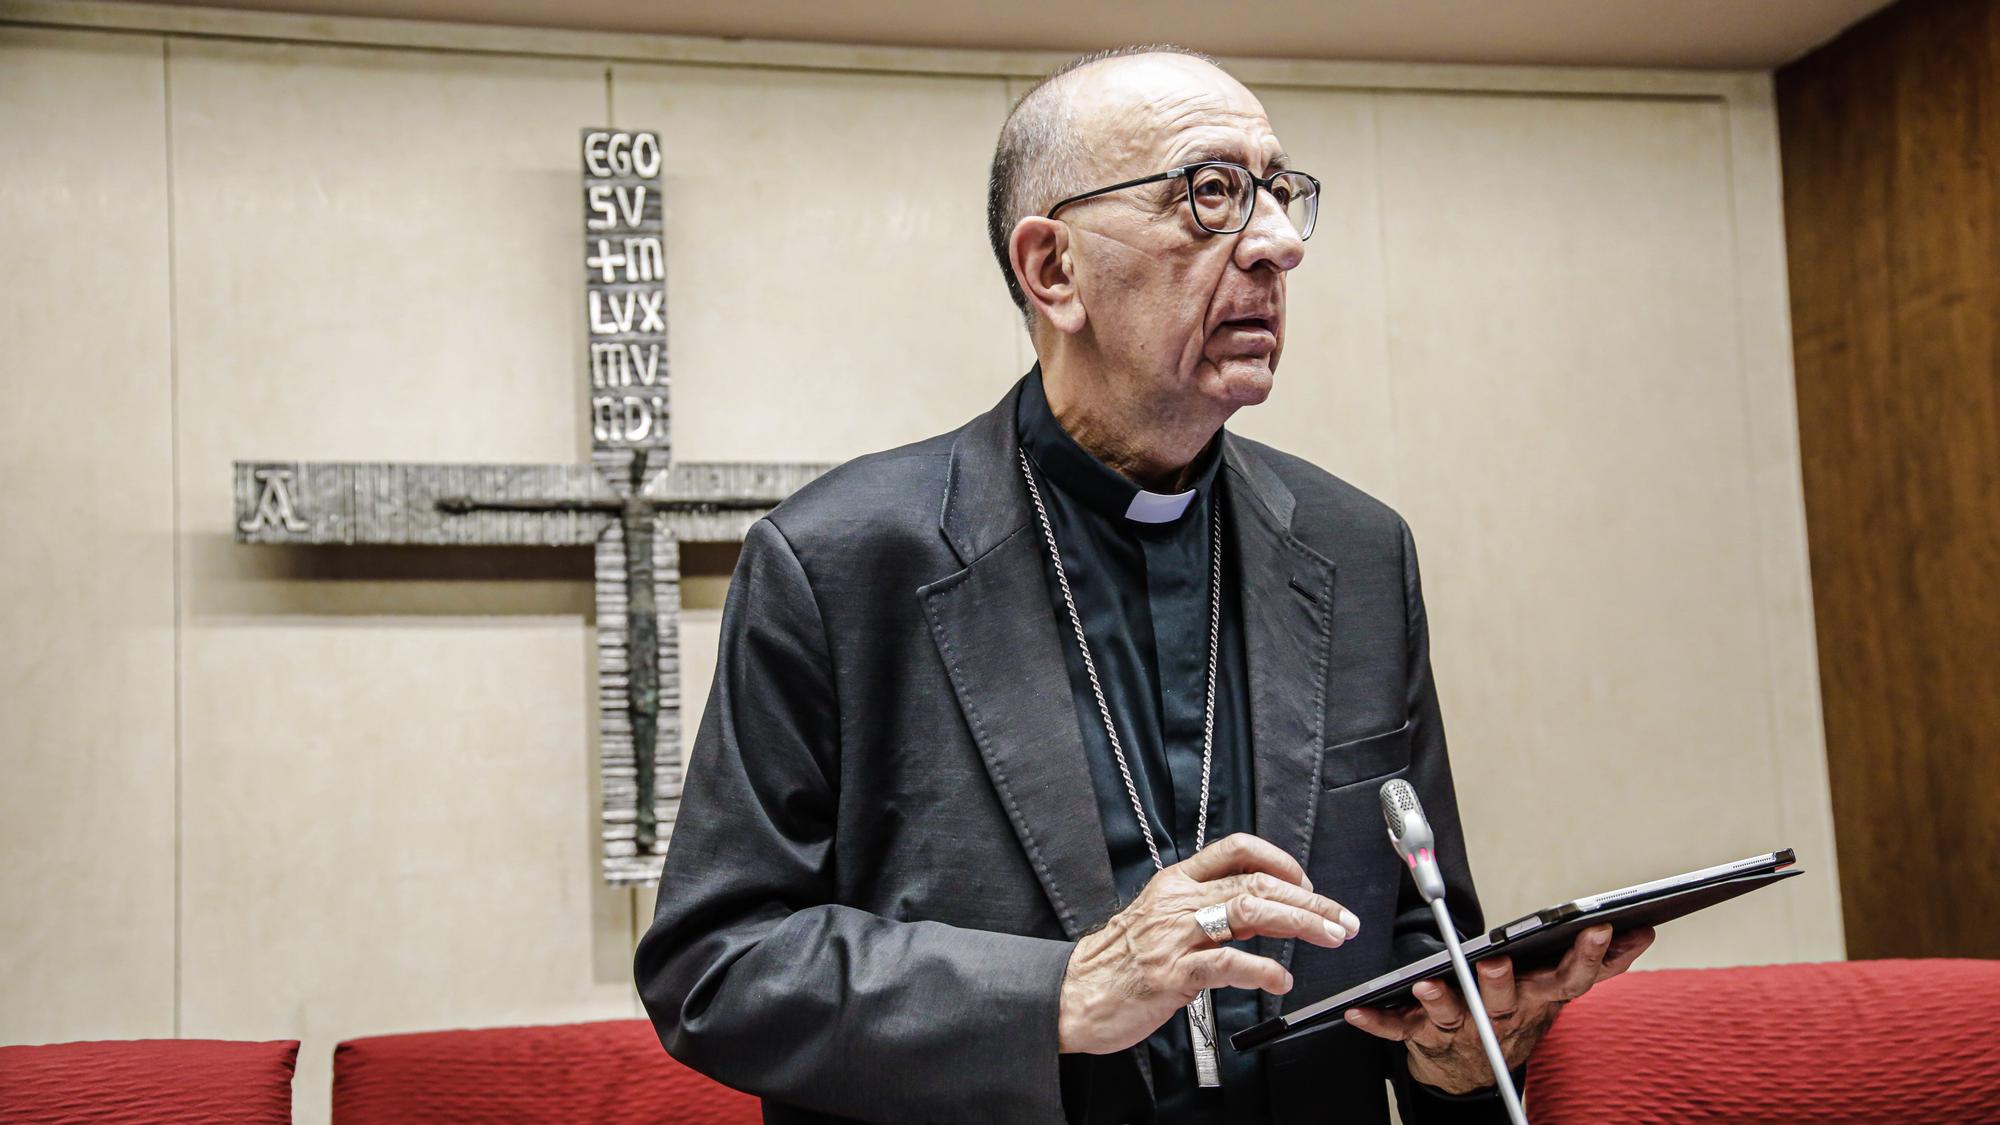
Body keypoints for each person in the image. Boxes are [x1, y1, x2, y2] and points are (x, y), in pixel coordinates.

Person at [634, 44, 1651, 1124]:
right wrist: (1061, 991)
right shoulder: (841, 559)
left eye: (1278, 194)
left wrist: (1461, 1043)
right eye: (1209, 194)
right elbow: (717, 969)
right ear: (1052, 269)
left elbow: (1414, 947)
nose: (1276, 243)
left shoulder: (1357, 550)